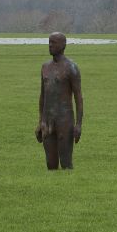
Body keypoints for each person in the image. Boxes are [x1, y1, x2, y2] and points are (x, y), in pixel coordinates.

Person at [35, 32, 84, 170]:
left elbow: (78, 97)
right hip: (48, 119)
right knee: (50, 164)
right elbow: (43, 95)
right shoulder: (45, 67)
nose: (50, 45)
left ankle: (70, 187)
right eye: (49, 42)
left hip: (64, 119)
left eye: (54, 42)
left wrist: (78, 124)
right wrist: (40, 122)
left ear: (63, 45)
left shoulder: (71, 67)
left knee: (66, 163)